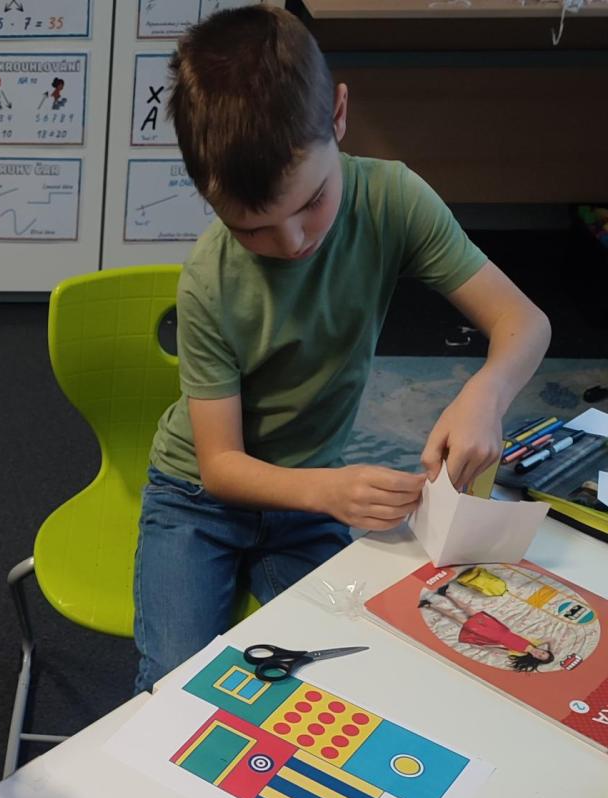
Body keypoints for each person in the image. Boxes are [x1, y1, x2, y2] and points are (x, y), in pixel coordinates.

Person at [133, 5, 550, 690]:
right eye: (253, 230)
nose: (292, 242)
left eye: (311, 202)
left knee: (351, 674)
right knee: (173, 685)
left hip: (310, 497)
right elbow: (220, 466)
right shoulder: (209, 278)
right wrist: (328, 490)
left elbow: (524, 322)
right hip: (198, 502)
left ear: (339, 116)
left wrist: (487, 392)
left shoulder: (392, 200)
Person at [421, 582, 555, 672]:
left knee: (456, 617)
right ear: (543, 650)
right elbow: (551, 639)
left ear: (536, 659)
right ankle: (445, 593)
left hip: (489, 635)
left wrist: (482, 646)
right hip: (499, 628)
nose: (539, 654)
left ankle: (429, 605)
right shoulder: (535, 642)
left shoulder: (520, 653)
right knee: (469, 609)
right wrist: (551, 651)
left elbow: (498, 650)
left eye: (540, 657)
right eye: (543, 653)